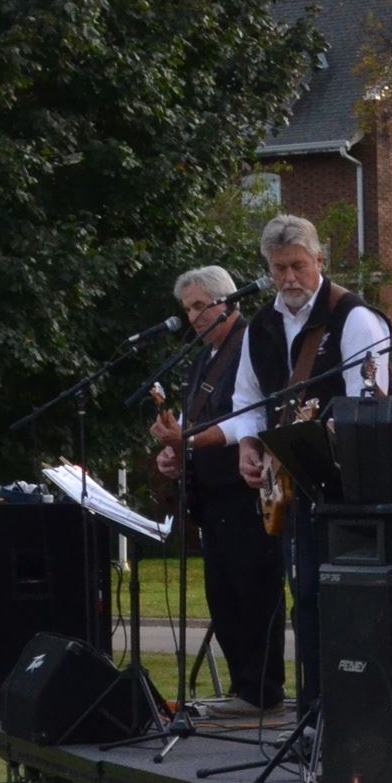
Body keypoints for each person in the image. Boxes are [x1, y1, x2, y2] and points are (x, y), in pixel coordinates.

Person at [220, 215, 392, 706]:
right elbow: (247, 401)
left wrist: (335, 433)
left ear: (320, 261)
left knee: (343, 599)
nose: (290, 278)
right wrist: (249, 448)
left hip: (348, 488)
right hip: (296, 486)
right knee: (306, 600)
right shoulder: (261, 326)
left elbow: (371, 400)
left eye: (298, 265)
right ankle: (313, 710)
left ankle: (349, 711)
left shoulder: (354, 318)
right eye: (279, 269)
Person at [149, 266, 284, 715]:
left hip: (245, 489)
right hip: (211, 492)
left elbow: (251, 415)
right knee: (223, 596)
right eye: (187, 308)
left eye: (199, 306)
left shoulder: (249, 342)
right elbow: (197, 422)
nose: (192, 317)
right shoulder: (203, 357)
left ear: (227, 301)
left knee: (252, 591)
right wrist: (175, 452)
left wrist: (185, 439)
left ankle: (261, 690)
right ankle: (243, 687)